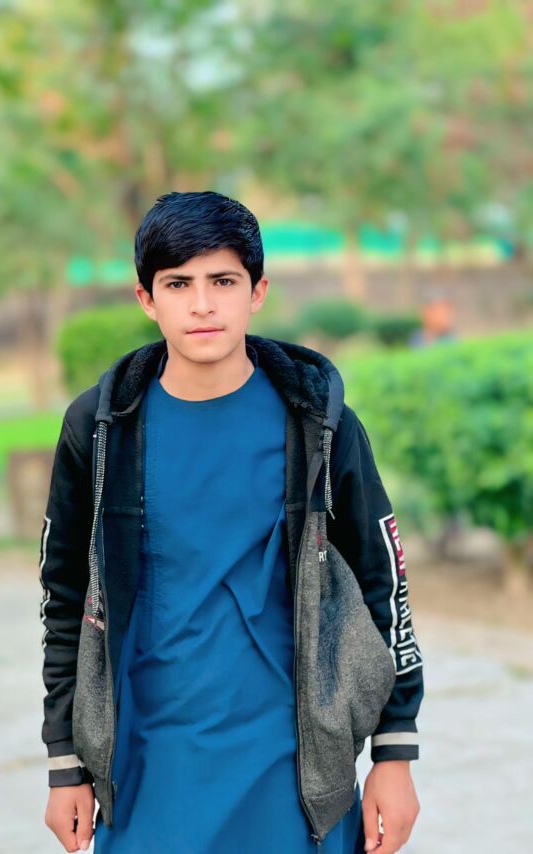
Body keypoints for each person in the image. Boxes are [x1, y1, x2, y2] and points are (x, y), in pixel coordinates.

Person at [40, 191, 424, 853]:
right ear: (146, 299)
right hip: (148, 766)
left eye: (223, 281)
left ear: (257, 292)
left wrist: (394, 752)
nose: (202, 304)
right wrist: (65, 761)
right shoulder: (101, 430)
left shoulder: (318, 424)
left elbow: (382, 581)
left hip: (294, 765)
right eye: (178, 284)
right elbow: (66, 597)